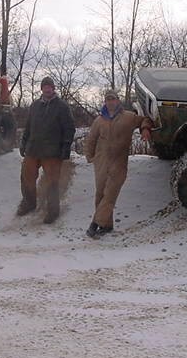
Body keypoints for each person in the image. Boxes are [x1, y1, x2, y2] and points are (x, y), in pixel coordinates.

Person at [84, 89, 153, 238]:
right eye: (108, 100)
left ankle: (94, 225)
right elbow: (91, 139)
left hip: (119, 163)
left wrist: (145, 129)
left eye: (113, 99)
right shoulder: (99, 120)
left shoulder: (128, 117)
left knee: (110, 195)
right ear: (105, 102)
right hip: (101, 162)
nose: (110, 102)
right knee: (100, 194)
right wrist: (90, 156)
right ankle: (107, 226)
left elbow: (144, 120)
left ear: (117, 101)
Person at [17, 76, 75, 224]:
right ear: (41, 88)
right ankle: (29, 203)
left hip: (52, 151)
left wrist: (65, 149)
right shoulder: (35, 105)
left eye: (50, 86)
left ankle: (53, 211)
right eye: (45, 86)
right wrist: (24, 143)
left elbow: (69, 129)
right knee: (26, 177)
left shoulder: (62, 106)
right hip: (33, 149)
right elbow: (28, 126)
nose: (47, 89)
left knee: (52, 181)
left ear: (53, 88)